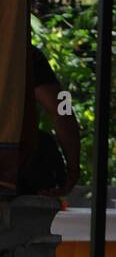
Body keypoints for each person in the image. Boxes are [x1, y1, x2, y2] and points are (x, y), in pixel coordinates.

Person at [19, 45, 82, 196]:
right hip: (12, 163)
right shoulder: (26, 53)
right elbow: (63, 110)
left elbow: (63, 107)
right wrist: (73, 170)